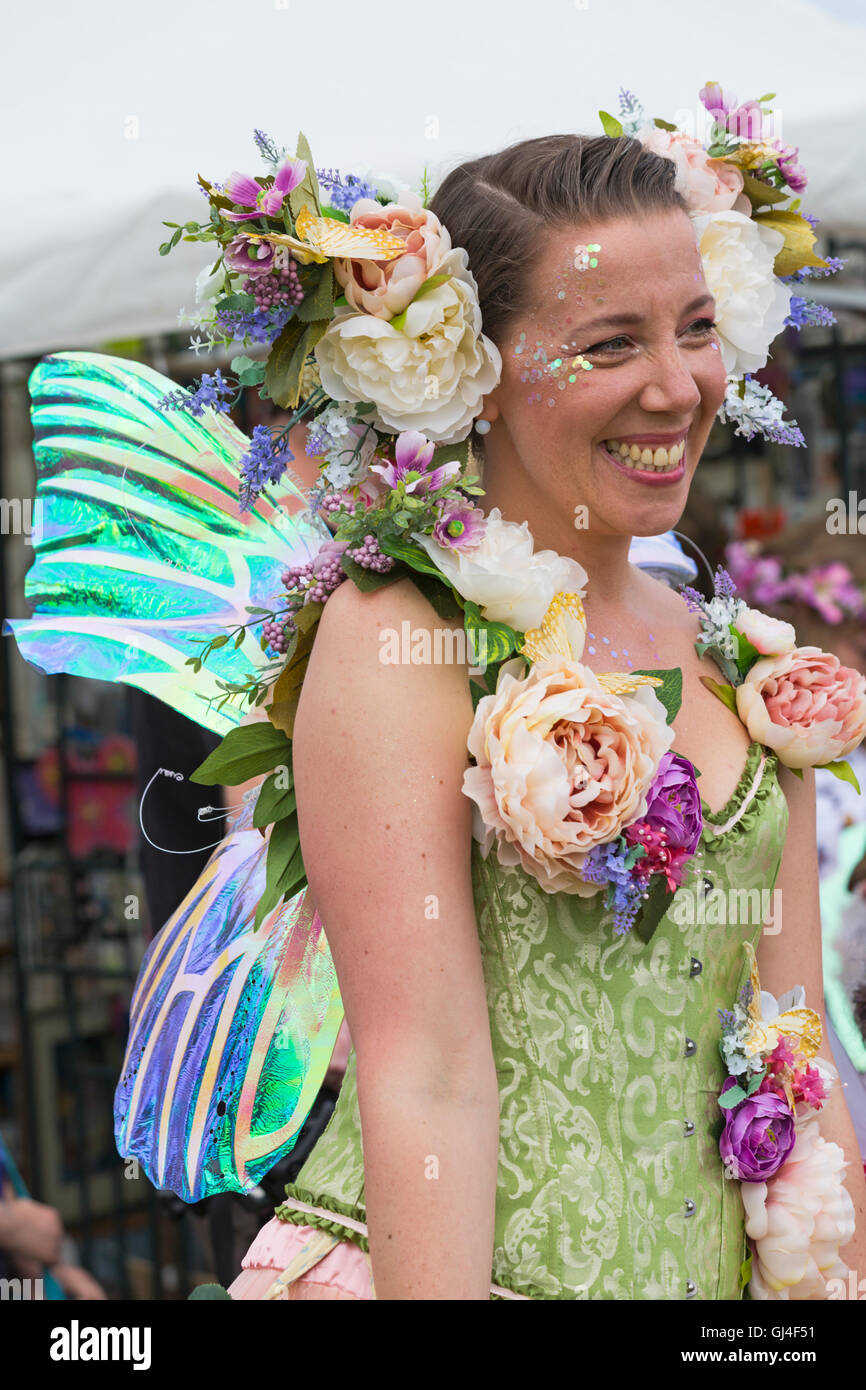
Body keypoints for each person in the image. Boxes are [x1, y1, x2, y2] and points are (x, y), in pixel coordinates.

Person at [227, 133, 866, 1300]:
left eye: (692, 326)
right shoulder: (398, 635)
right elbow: (425, 1077)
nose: (675, 386)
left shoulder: (737, 659)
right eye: (607, 344)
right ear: (474, 369)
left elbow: (796, 1054)